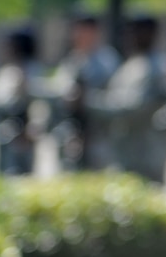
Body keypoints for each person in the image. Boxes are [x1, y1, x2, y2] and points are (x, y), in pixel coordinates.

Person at [98, 14, 166, 185]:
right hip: (127, 149)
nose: (129, 36)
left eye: (134, 31)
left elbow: (133, 107)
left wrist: (90, 103)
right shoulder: (133, 63)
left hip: (147, 153)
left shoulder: (159, 66)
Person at [45, 13, 121, 171]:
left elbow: (116, 98)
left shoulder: (107, 60)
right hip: (72, 131)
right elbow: (58, 89)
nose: (78, 35)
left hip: (98, 132)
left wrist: (87, 99)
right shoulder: (72, 60)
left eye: (83, 30)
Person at [0, 26, 44, 176]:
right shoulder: (8, 71)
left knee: (22, 175)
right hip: (4, 130)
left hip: (23, 131)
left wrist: (33, 126)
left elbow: (37, 104)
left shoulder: (31, 70)